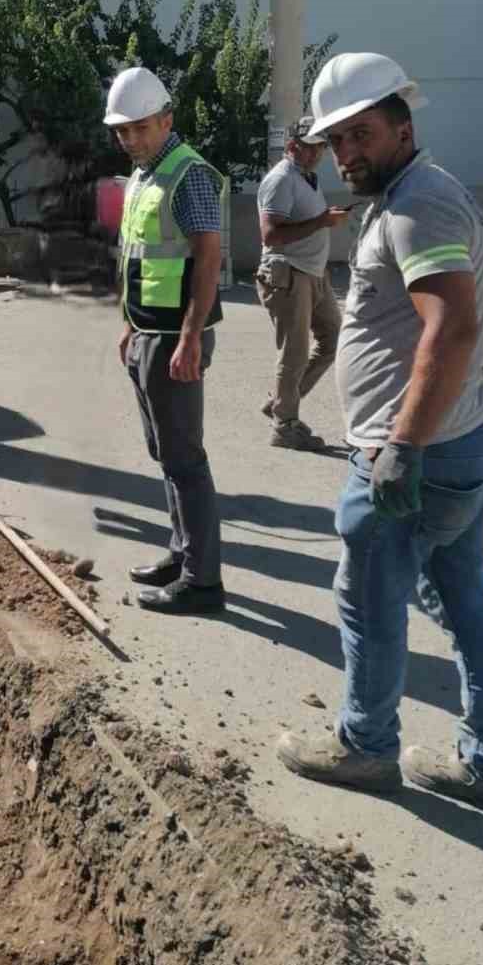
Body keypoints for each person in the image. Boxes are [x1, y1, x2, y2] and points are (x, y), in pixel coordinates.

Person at [277, 52, 483, 818]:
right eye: (337, 141)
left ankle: (365, 747)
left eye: (362, 135)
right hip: (461, 445)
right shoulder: (405, 194)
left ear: (402, 126)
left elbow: (450, 330)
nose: (348, 153)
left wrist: (403, 446)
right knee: (465, 600)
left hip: (422, 455)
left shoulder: (421, 206)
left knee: (369, 600)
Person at [107, 67, 227, 616]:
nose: (130, 139)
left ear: (166, 120)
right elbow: (141, 259)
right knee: (165, 453)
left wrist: (190, 338)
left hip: (176, 341)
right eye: (122, 131)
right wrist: (131, 326)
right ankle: (181, 553)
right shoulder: (143, 176)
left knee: (186, 459)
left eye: (139, 128)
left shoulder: (187, 175)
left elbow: (207, 258)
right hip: (147, 334)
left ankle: (203, 582)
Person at [255, 119, 350, 449]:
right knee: (293, 353)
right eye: (309, 146)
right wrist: (322, 221)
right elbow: (270, 236)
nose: (316, 152)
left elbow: (306, 221)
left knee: (332, 339)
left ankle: (281, 402)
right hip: (288, 274)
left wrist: (324, 219)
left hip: (313, 273)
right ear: (292, 145)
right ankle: (285, 426)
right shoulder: (281, 179)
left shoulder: (307, 178)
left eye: (320, 146)